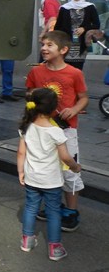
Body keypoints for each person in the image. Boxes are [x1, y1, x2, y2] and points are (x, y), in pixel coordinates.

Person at [26, 30, 88, 232]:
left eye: (49, 45)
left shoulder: (74, 73)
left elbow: (84, 97)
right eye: (43, 44)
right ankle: (53, 206)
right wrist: (32, 97)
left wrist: (74, 109)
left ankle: (71, 211)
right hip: (42, 129)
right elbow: (29, 92)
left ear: (63, 50)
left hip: (66, 130)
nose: (44, 48)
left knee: (69, 171)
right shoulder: (37, 72)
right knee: (47, 169)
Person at [17, 87, 81, 261]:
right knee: (53, 212)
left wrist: (21, 171)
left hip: (32, 178)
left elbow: (21, 153)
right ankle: (54, 248)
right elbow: (65, 157)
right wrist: (75, 167)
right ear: (54, 109)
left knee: (31, 207)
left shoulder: (27, 127)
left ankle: (27, 241)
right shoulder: (56, 132)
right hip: (51, 181)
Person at [53, 0, 100, 71]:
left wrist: (84, 28)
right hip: (66, 44)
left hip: (80, 45)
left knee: (77, 70)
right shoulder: (64, 8)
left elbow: (96, 24)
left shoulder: (90, 7)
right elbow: (57, 27)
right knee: (64, 70)